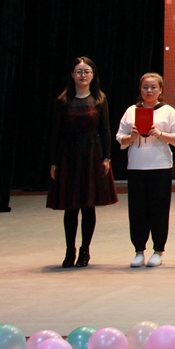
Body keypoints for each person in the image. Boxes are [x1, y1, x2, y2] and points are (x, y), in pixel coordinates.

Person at [47, 56, 119, 268]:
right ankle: (69, 251)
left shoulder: (100, 99)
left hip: (92, 155)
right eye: (79, 71)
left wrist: (107, 157)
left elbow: (105, 131)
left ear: (93, 75)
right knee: (71, 206)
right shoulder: (62, 101)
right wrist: (53, 162)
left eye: (87, 71)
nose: (83, 75)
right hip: (68, 156)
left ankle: (85, 251)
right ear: (72, 75)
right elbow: (55, 133)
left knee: (88, 205)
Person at [116, 73, 175, 268]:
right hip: (136, 167)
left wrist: (159, 134)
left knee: (159, 209)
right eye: (145, 87)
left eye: (153, 87)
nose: (149, 91)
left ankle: (158, 250)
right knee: (137, 210)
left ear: (160, 90)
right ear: (140, 89)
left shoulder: (168, 111)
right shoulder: (131, 111)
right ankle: (139, 251)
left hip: (160, 166)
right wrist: (132, 136)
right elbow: (120, 140)